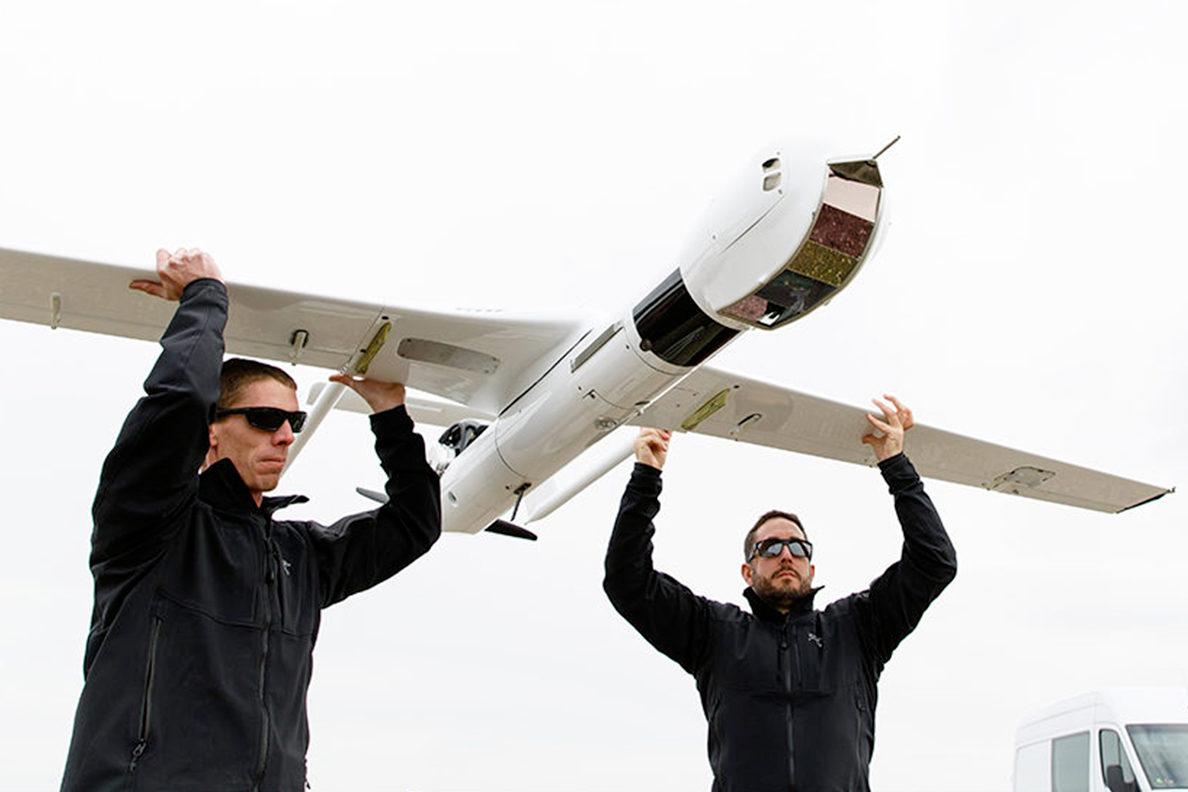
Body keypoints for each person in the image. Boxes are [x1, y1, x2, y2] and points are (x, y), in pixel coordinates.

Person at [59, 248, 442, 791]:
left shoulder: (300, 557)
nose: (285, 436)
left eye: (293, 421)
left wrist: (391, 415)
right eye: (265, 419)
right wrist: (205, 299)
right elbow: (179, 400)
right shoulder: (151, 522)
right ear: (211, 430)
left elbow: (415, 524)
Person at [603, 396, 957, 792]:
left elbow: (935, 562)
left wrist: (896, 466)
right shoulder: (714, 633)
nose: (786, 555)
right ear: (748, 570)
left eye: (798, 548)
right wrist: (646, 476)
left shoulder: (857, 629)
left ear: (812, 567)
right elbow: (627, 581)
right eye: (770, 548)